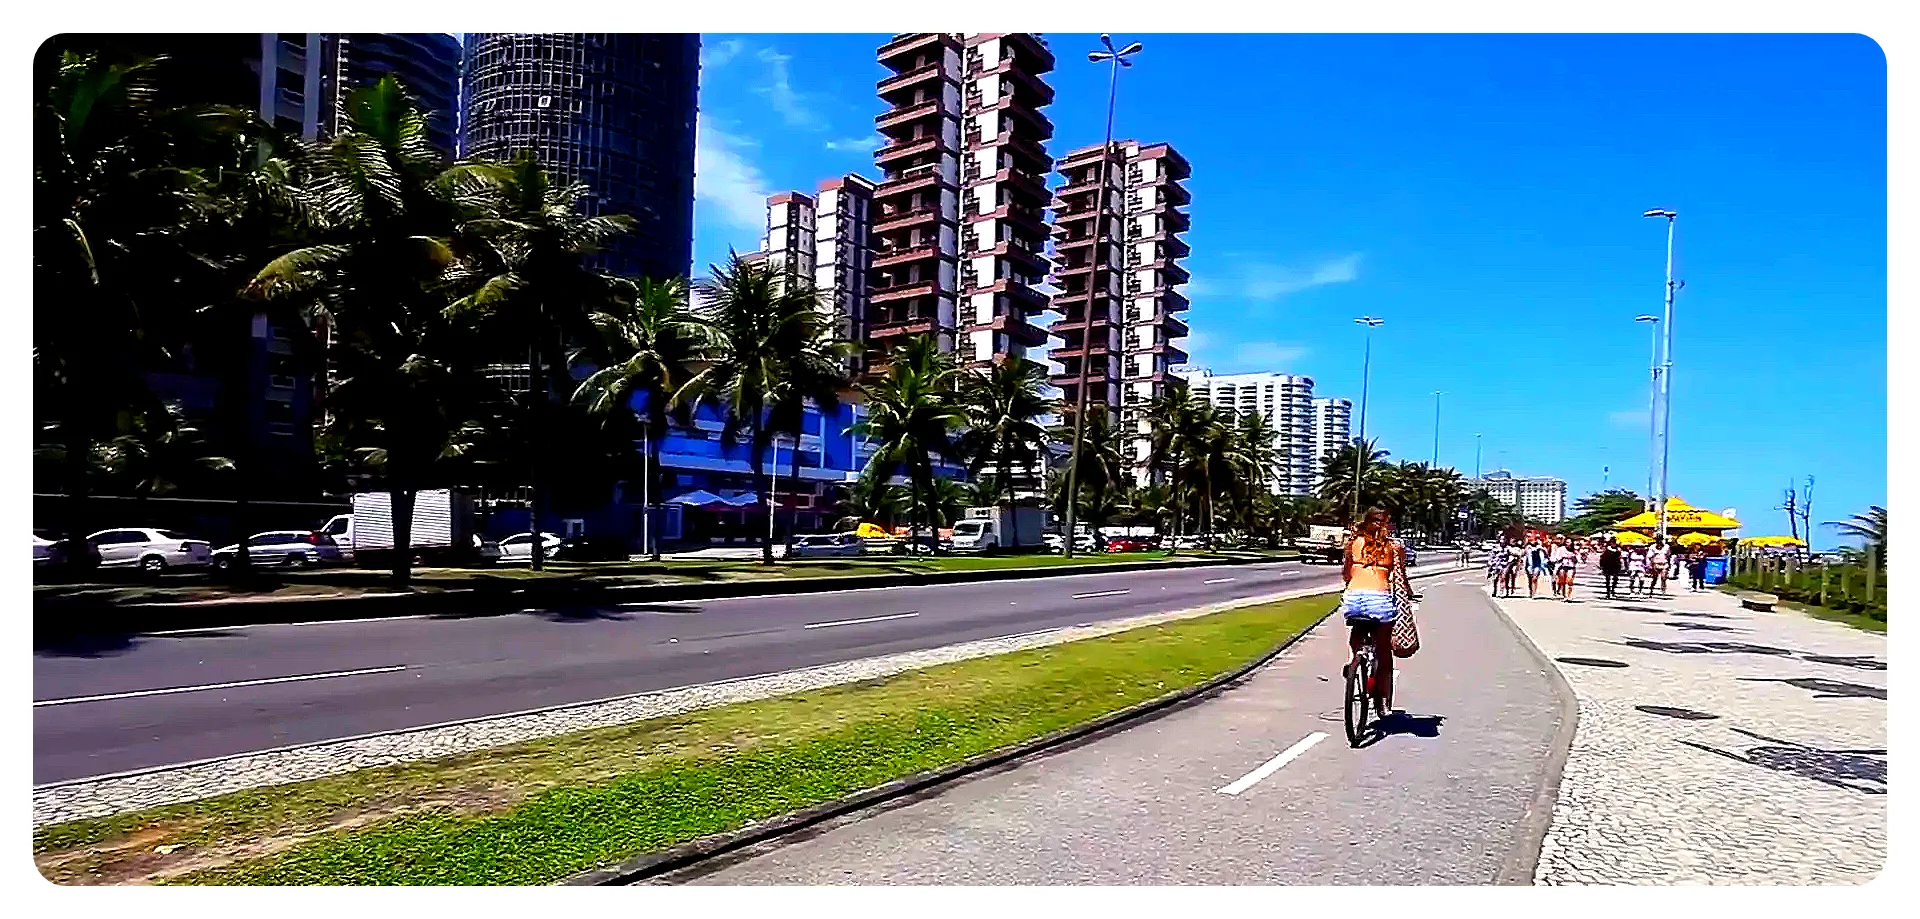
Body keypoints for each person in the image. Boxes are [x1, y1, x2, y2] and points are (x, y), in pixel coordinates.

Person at [1340, 507, 1406, 707]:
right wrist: (1408, 596)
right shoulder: (1393, 547)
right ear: (1388, 524)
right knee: (1384, 649)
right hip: (1379, 599)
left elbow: (1346, 573)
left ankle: (1354, 660)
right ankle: (1384, 696)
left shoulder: (1353, 543)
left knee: (1357, 631)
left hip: (1353, 598)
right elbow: (1400, 577)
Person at [1551, 536, 1578, 602]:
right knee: (1562, 582)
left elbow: (1578, 560)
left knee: (1569, 581)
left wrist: (1573, 557)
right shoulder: (1561, 549)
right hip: (1562, 566)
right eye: (1567, 542)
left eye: (1569, 542)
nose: (1568, 544)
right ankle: (1564, 595)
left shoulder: (1574, 550)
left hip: (1571, 567)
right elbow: (1556, 558)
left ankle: (1568, 596)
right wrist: (1563, 557)